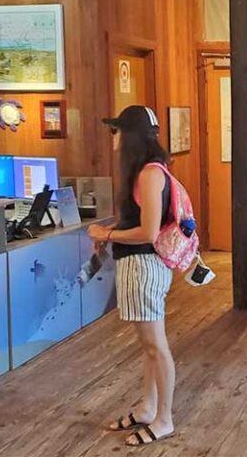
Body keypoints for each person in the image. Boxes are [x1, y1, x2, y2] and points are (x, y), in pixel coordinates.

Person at [87, 105, 176, 446]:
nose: (113, 137)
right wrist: (110, 232)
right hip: (141, 265)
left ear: (129, 136)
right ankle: (148, 407)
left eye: (117, 130)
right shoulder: (149, 170)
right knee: (148, 346)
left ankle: (164, 417)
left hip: (143, 266)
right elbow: (138, 222)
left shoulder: (148, 174)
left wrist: (105, 235)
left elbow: (149, 231)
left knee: (156, 346)